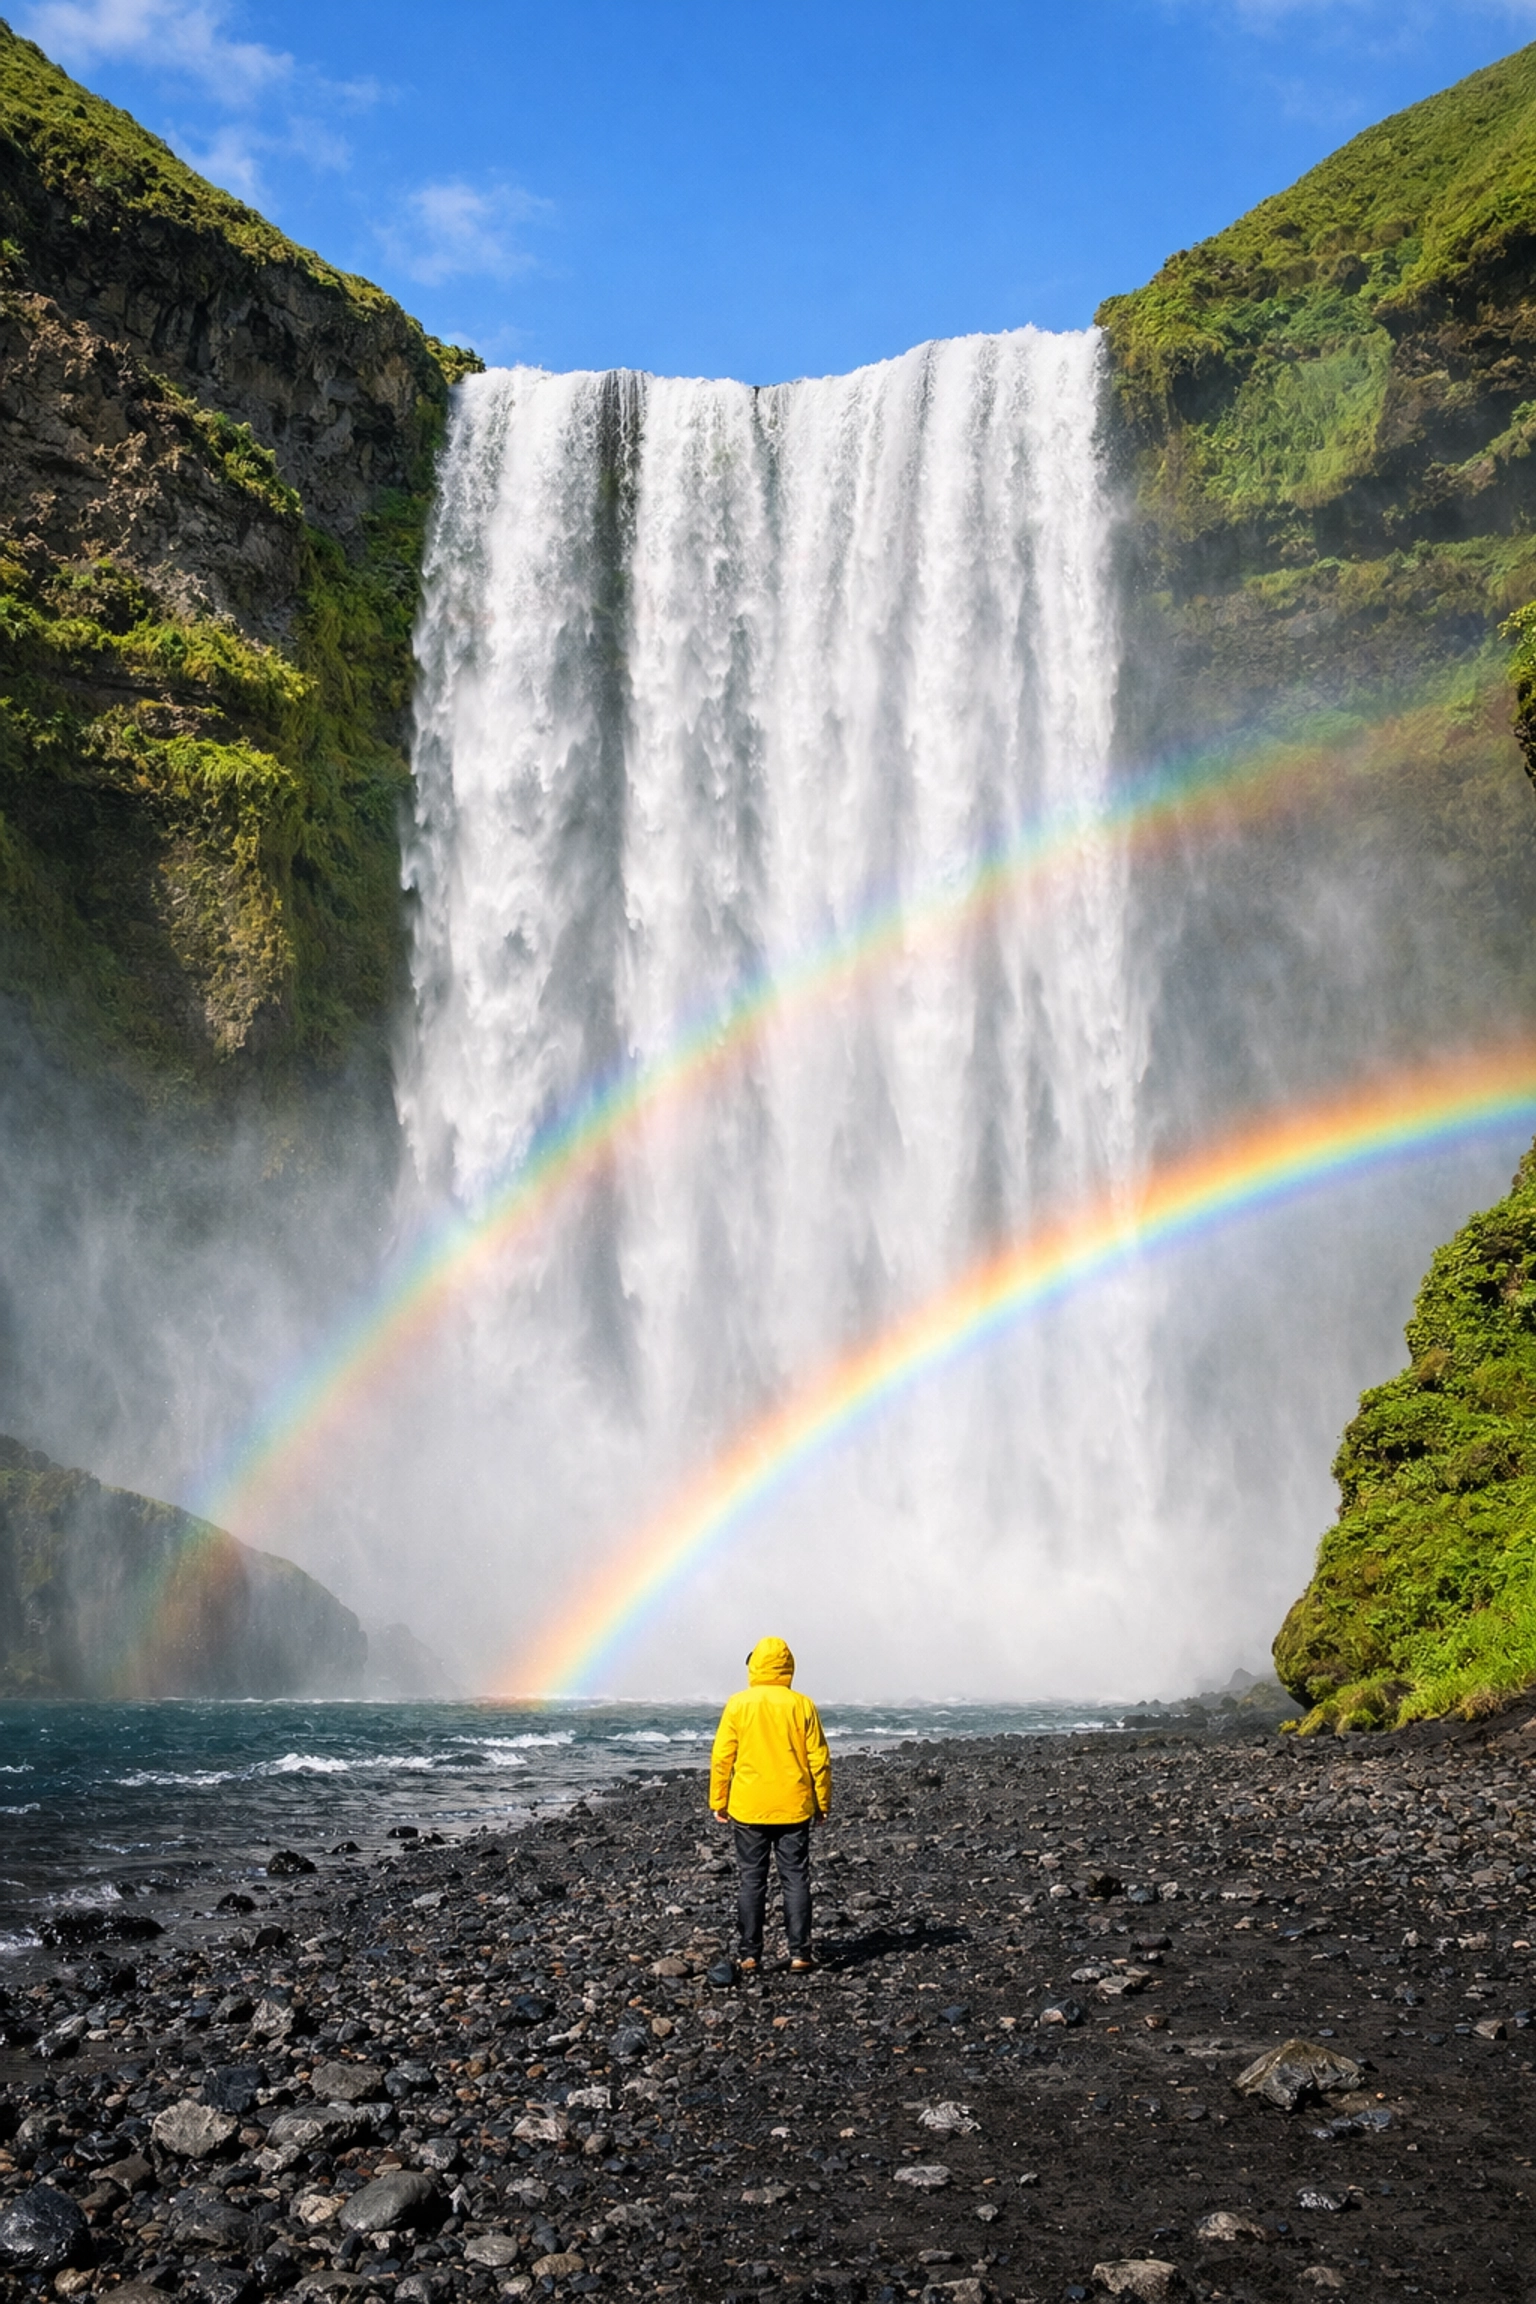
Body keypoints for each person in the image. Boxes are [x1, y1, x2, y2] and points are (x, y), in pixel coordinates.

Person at [709, 1635, 831, 1974]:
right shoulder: (801, 1705)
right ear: (788, 1665)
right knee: (795, 1878)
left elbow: (722, 1757)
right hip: (793, 1805)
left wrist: (719, 1800)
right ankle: (800, 1953)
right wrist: (822, 1802)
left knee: (752, 1879)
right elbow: (819, 1759)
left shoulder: (738, 1704)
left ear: (754, 1665)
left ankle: (750, 1955)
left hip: (749, 1807)